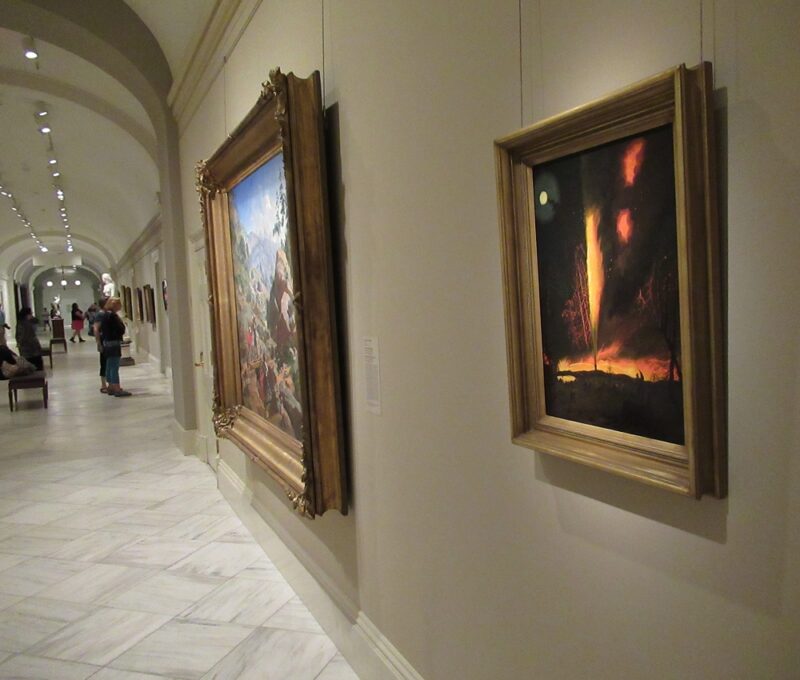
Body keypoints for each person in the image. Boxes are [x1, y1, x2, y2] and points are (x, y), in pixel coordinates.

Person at [100, 297, 131, 397]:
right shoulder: (112, 316)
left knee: (109, 365)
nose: (120, 306)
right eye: (119, 304)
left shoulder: (105, 315)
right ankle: (116, 388)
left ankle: (111, 386)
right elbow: (119, 329)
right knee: (114, 366)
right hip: (113, 342)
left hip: (107, 342)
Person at [93, 298, 109, 393]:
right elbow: (96, 329)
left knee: (108, 362)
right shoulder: (100, 314)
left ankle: (109, 382)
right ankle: (103, 384)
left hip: (107, 339)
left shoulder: (107, 314)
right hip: (104, 340)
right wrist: (99, 343)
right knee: (104, 362)